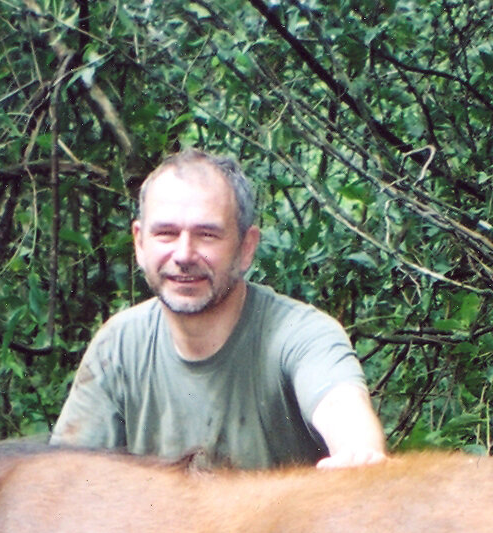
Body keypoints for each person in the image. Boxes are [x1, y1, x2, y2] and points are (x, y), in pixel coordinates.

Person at [50, 149, 388, 469]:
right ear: (139, 243)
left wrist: (358, 456)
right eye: (166, 234)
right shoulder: (119, 345)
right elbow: (64, 480)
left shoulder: (300, 333)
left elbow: (341, 407)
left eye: (207, 235)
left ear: (246, 247)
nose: (184, 255)